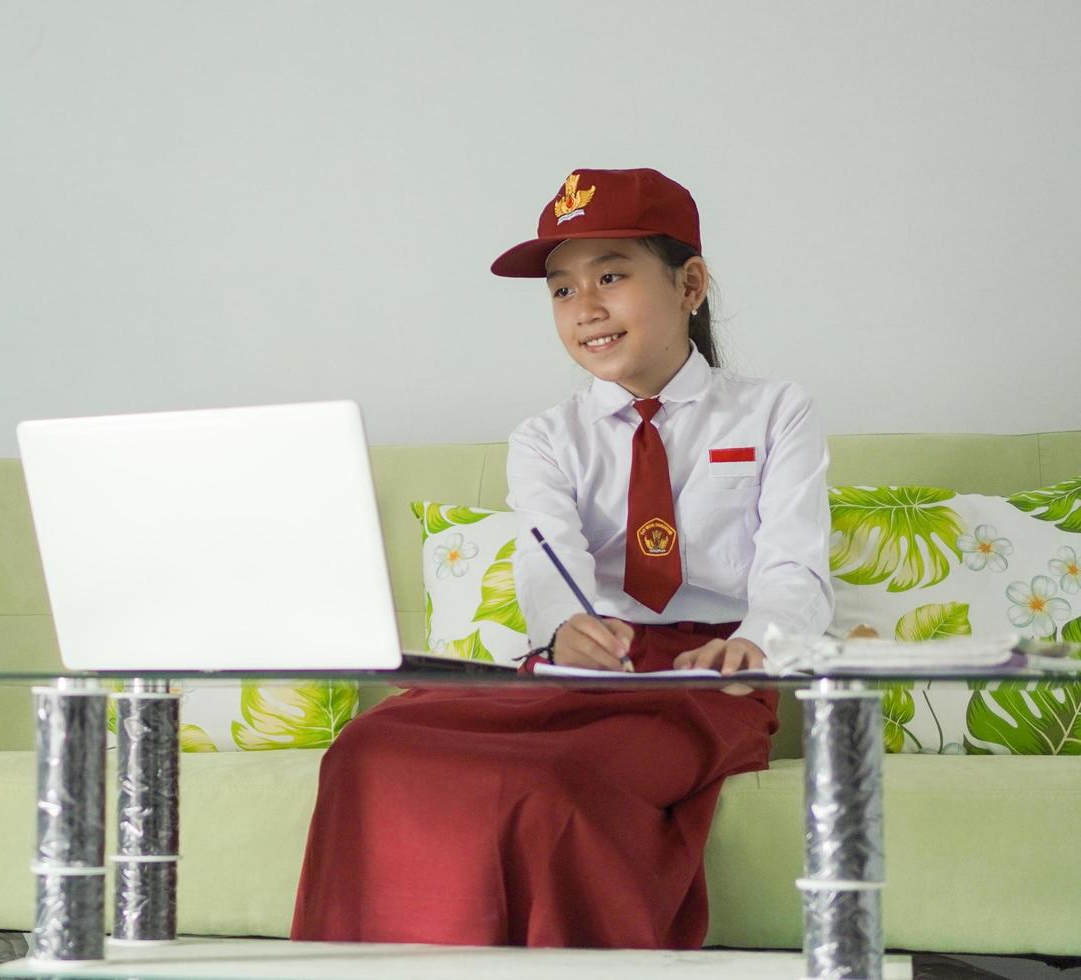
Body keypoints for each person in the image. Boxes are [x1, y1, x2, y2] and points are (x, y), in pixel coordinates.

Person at [289, 168, 834, 949]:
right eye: (561, 290)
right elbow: (550, 561)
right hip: (584, 670)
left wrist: (759, 642)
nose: (586, 309)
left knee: (555, 786)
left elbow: (794, 564)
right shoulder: (545, 438)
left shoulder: (777, 410)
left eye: (612, 275)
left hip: (708, 677)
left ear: (690, 284)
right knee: (368, 747)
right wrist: (569, 625)